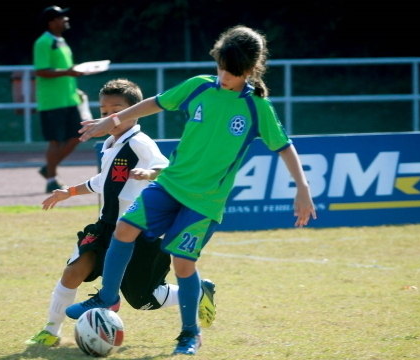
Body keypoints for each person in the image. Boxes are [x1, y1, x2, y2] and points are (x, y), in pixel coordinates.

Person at [66, 26, 317, 355]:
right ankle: (107, 298)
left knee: (183, 264)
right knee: (124, 229)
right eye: (221, 66)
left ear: (249, 69)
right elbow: (153, 104)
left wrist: (302, 189)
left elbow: (285, 148)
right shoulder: (198, 87)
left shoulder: (258, 108)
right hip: (169, 186)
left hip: (204, 202)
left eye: (232, 70)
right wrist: (110, 122)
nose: (224, 75)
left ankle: (189, 334)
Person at [25, 79, 217, 347]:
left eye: (116, 111)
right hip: (106, 227)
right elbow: (104, 180)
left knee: (143, 299)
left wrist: (150, 173)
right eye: (103, 112)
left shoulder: (140, 143)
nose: (108, 117)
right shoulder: (110, 144)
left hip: (138, 231)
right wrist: (69, 192)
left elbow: (168, 168)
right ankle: (50, 330)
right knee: (74, 270)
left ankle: (197, 293)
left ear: (134, 111)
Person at [33, 5, 86, 193]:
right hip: (52, 101)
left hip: (69, 99)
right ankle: (52, 180)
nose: (65, 19)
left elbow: (65, 70)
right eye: (61, 17)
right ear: (52, 22)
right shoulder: (43, 42)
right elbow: (41, 70)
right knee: (55, 140)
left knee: (78, 136)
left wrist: (76, 89)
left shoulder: (61, 41)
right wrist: (69, 72)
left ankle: (49, 168)